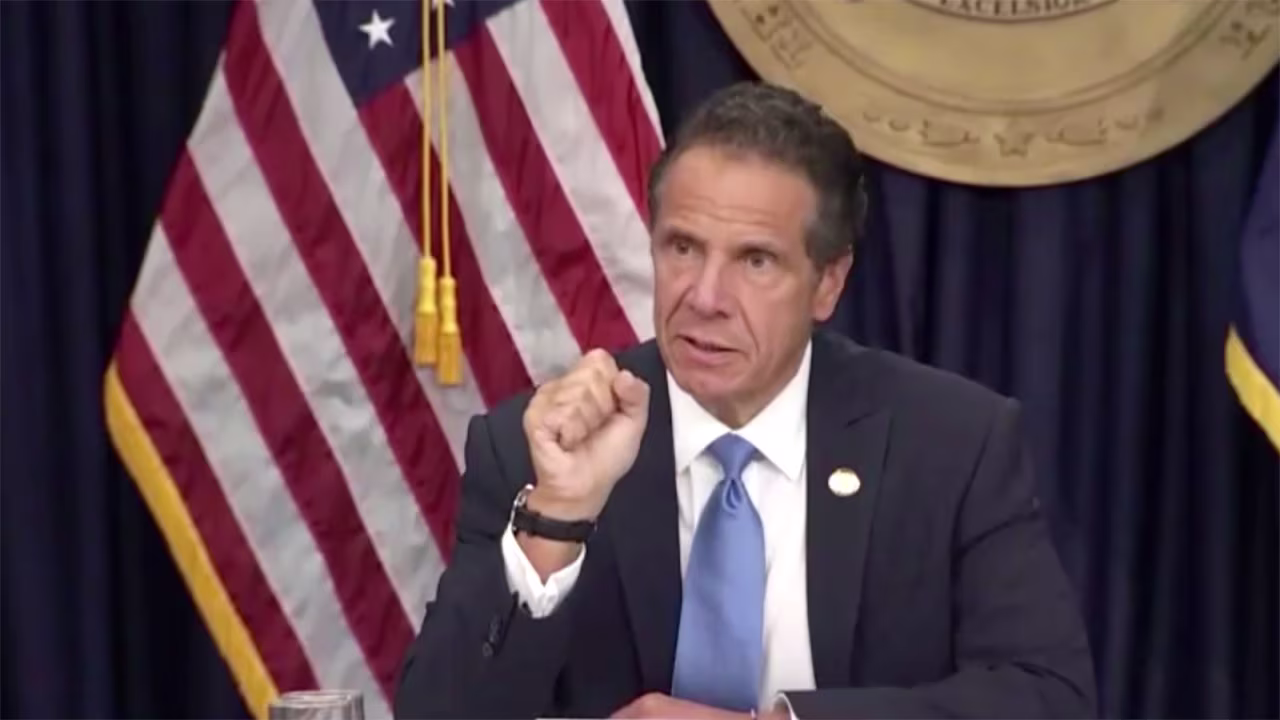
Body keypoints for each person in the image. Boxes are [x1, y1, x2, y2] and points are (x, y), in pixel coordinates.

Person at [393, 81, 1096, 720]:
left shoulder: (950, 443)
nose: (704, 298)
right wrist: (558, 519)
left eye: (755, 261)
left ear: (828, 283)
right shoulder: (539, 446)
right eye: (683, 248)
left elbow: (1047, 697)